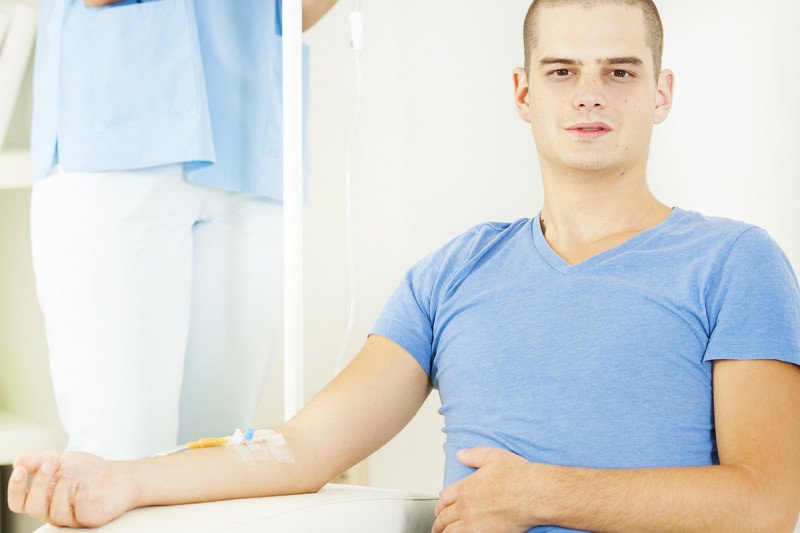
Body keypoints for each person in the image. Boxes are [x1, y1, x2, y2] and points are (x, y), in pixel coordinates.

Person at [9, 0, 800, 531]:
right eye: (562, 71)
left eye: (619, 72)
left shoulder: (735, 262)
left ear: (661, 93)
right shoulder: (453, 273)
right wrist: (127, 477)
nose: (589, 94)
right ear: (524, 93)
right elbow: (303, 446)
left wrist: (542, 492)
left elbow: (769, 498)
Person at [28, 0, 336, 461]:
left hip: (250, 139)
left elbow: (292, 11)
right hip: (118, 143)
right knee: (118, 455)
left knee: (218, 453)